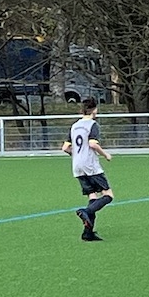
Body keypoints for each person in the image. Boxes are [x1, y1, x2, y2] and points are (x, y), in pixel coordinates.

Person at [60, 98, 114, 242]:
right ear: (94, 110)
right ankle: (85, 211)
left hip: (77, 165)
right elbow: (92, 144)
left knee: (92, 196)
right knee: (108, 195)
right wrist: (106, 155)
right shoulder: (92, 124)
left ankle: (87, 233)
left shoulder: (74, 126)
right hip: (90, 165)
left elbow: (65, 148)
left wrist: (76, 155)